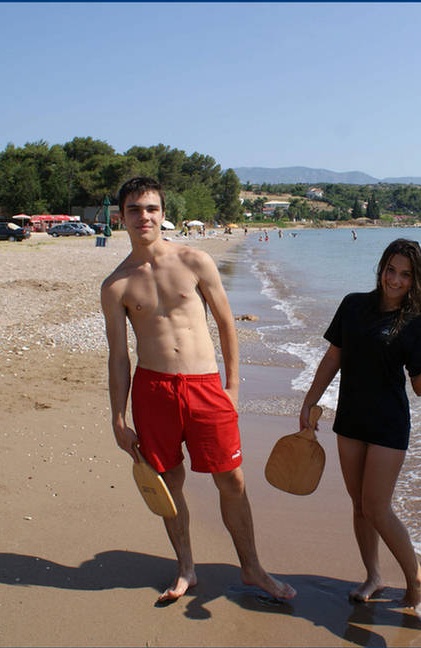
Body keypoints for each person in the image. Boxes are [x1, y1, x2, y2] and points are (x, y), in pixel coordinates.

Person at [101, 177, 295, 604]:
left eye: (151, 208)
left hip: (205, 386)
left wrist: (233, 387)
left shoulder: (194, 260)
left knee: (232, 479)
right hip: (153, 390)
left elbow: (226, 323)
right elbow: (119, 357)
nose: (143, 216)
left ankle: (252, 567)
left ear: (163, 213)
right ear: (122, 217)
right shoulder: (116, 285)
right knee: (168, 482)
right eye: (134, 209)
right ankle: (186, 567)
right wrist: (118, 418)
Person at [300, 238, 421, 607]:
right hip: (351, 418)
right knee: (359, 505)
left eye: (405, 275)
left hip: (389, 423)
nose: (395, 280)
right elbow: (333, 357)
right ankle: (373, 576)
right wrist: (310, 401)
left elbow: (420, 386)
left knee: (376, 506)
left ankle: (416, 575)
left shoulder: (416, 324)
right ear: (381, 269)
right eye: (391, 270)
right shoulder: (353, 305)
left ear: (415, 280)